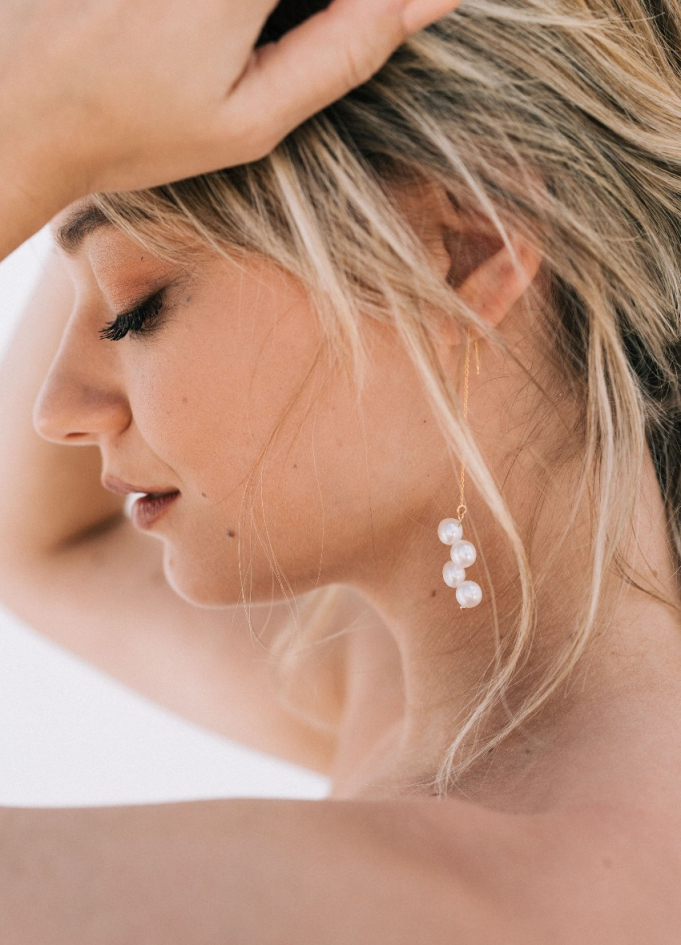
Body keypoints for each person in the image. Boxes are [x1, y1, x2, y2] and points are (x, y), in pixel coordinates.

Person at [1, 0, 680, 940]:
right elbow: (35, 539)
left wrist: (29, 120)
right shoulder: (434, 685)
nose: (56, 409)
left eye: (133, 310)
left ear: (461, 243)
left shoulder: (468, 901)